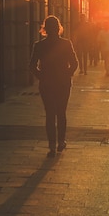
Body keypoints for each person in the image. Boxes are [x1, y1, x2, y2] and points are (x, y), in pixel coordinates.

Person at [29, 15, 79, 157]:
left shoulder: (39, 45)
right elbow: (74, 63)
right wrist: (67, 74)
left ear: (45, 29)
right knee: (61, 112)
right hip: (63, 83)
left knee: (50, 114)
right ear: (58, 28)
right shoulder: (66, 44)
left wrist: (41, 76)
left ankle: (51, 145)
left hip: (46, 83)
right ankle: (61, 142)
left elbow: (32, 66)